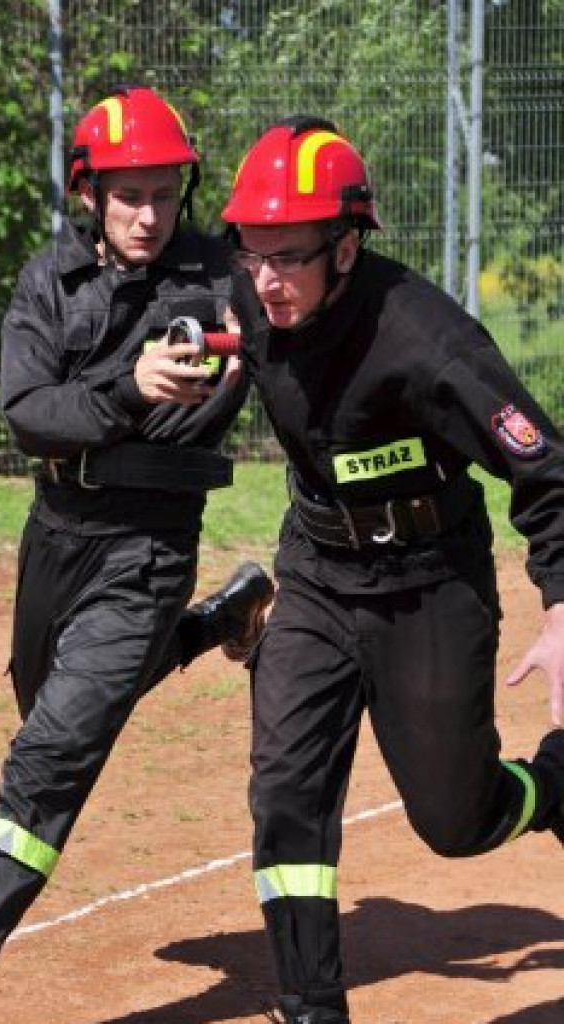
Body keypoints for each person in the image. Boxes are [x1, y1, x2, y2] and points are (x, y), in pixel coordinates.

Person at [0, 85, 274, 1024]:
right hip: (58, 538)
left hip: (152, 543)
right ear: (91, 194)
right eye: (129, 195)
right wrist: (129, 386)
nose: (150, 214)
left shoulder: (223, 273)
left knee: (48, 758)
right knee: (52, 702)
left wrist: (255, 359)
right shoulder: (48, 282)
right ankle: (223, 622)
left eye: (164, 193)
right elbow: (29, 412)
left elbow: (298, 336)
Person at [220, 117, 564, 1024]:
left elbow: (547, 471)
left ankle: (559, 780)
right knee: (285, 791)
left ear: (344, 247)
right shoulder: (253, 298)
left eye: (288, 259)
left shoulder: (426, 340)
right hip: (319, 578)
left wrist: (563, 610)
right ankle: (311, 1007)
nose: (264, 280)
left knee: (456, 822)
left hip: (430, 587)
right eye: (250, 254)